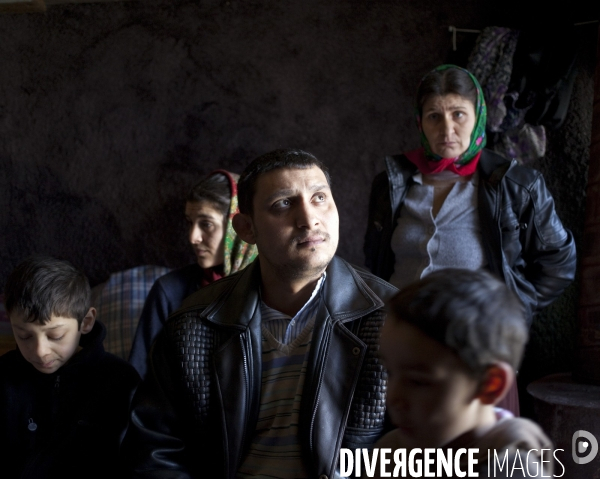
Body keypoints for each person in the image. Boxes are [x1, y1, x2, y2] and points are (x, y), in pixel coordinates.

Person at [124, 149, 397, 478]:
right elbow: (154, 452)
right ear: (246, 228)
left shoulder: (393, 317)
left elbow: (427, 447)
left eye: (320, 197)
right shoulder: (193, 326)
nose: (310, 219)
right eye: (284, 203)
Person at [364, 64, 576, 325]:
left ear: (478, 117)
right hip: (396, 337)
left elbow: (560, 264)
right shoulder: (390, 183)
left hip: (472, 343)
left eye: (458, 114)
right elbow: (375, 262)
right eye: (434, 116)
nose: (447, 129)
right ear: (420, 121)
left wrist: (509, 316)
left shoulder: (517, 186)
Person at [372, 269, 555, 478]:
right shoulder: (390, 453)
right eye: (390, 372)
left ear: (490, 384)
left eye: (417, 382)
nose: (392, 398)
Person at [0, 256, 140, 479]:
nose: (40, 351)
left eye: (55, 336)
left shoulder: (120, 381)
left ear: (85, 322)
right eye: (24, 335)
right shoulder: (4, 375)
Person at [128, 170, 258, 379]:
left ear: (239, 226)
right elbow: (138, 378)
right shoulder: (169, 292)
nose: (193, 237)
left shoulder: (270, 291)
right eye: (190, 222)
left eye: (206, 224)